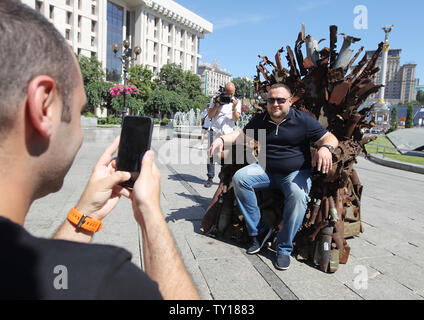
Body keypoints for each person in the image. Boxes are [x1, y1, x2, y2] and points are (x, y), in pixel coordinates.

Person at [0, 0, 199, 300]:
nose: (80, 131)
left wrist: (84, 214)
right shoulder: (103, 281)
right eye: (80, 111)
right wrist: (150, 214)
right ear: (43, 106)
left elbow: (54, 281)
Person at [209, 83, 338, 271]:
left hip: (295, 173)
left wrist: (326, 148)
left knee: (298, 195)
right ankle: (260, 231)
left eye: (280, 100)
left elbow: (330, 137)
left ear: (290, 101)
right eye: (271, 100)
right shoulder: (262, 120)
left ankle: (284, 247)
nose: (275, 104)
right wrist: (220, 139)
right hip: (266, 171)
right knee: (240, 178)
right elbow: (240, 136)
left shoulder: (302, 121)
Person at [204, 82, 241, 188]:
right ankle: (210, 177)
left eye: (231, 93)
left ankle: (223, 179)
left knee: (227, 156)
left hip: (228, 133)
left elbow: (235, 119)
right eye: (228, 93)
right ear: (224, 90)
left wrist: (234, 107)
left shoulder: (236, 102)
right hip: (214, 130)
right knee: (211, 154)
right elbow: (210, 115)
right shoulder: (216, 99)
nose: (229, 96)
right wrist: (217, 104)